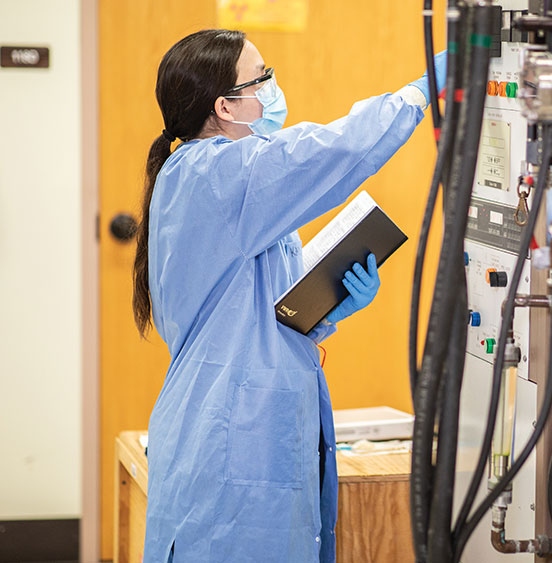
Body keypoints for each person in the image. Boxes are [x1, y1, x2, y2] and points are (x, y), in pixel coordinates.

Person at [132, 29, 445, 562]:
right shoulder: (214, 174)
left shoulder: (231, 187)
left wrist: (323, 308)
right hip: (231, 438)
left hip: (254, 425)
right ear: (226, 107)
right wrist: (419, 94)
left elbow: (247, 310)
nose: (275, 88)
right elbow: (331, 150)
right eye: (264, 78)